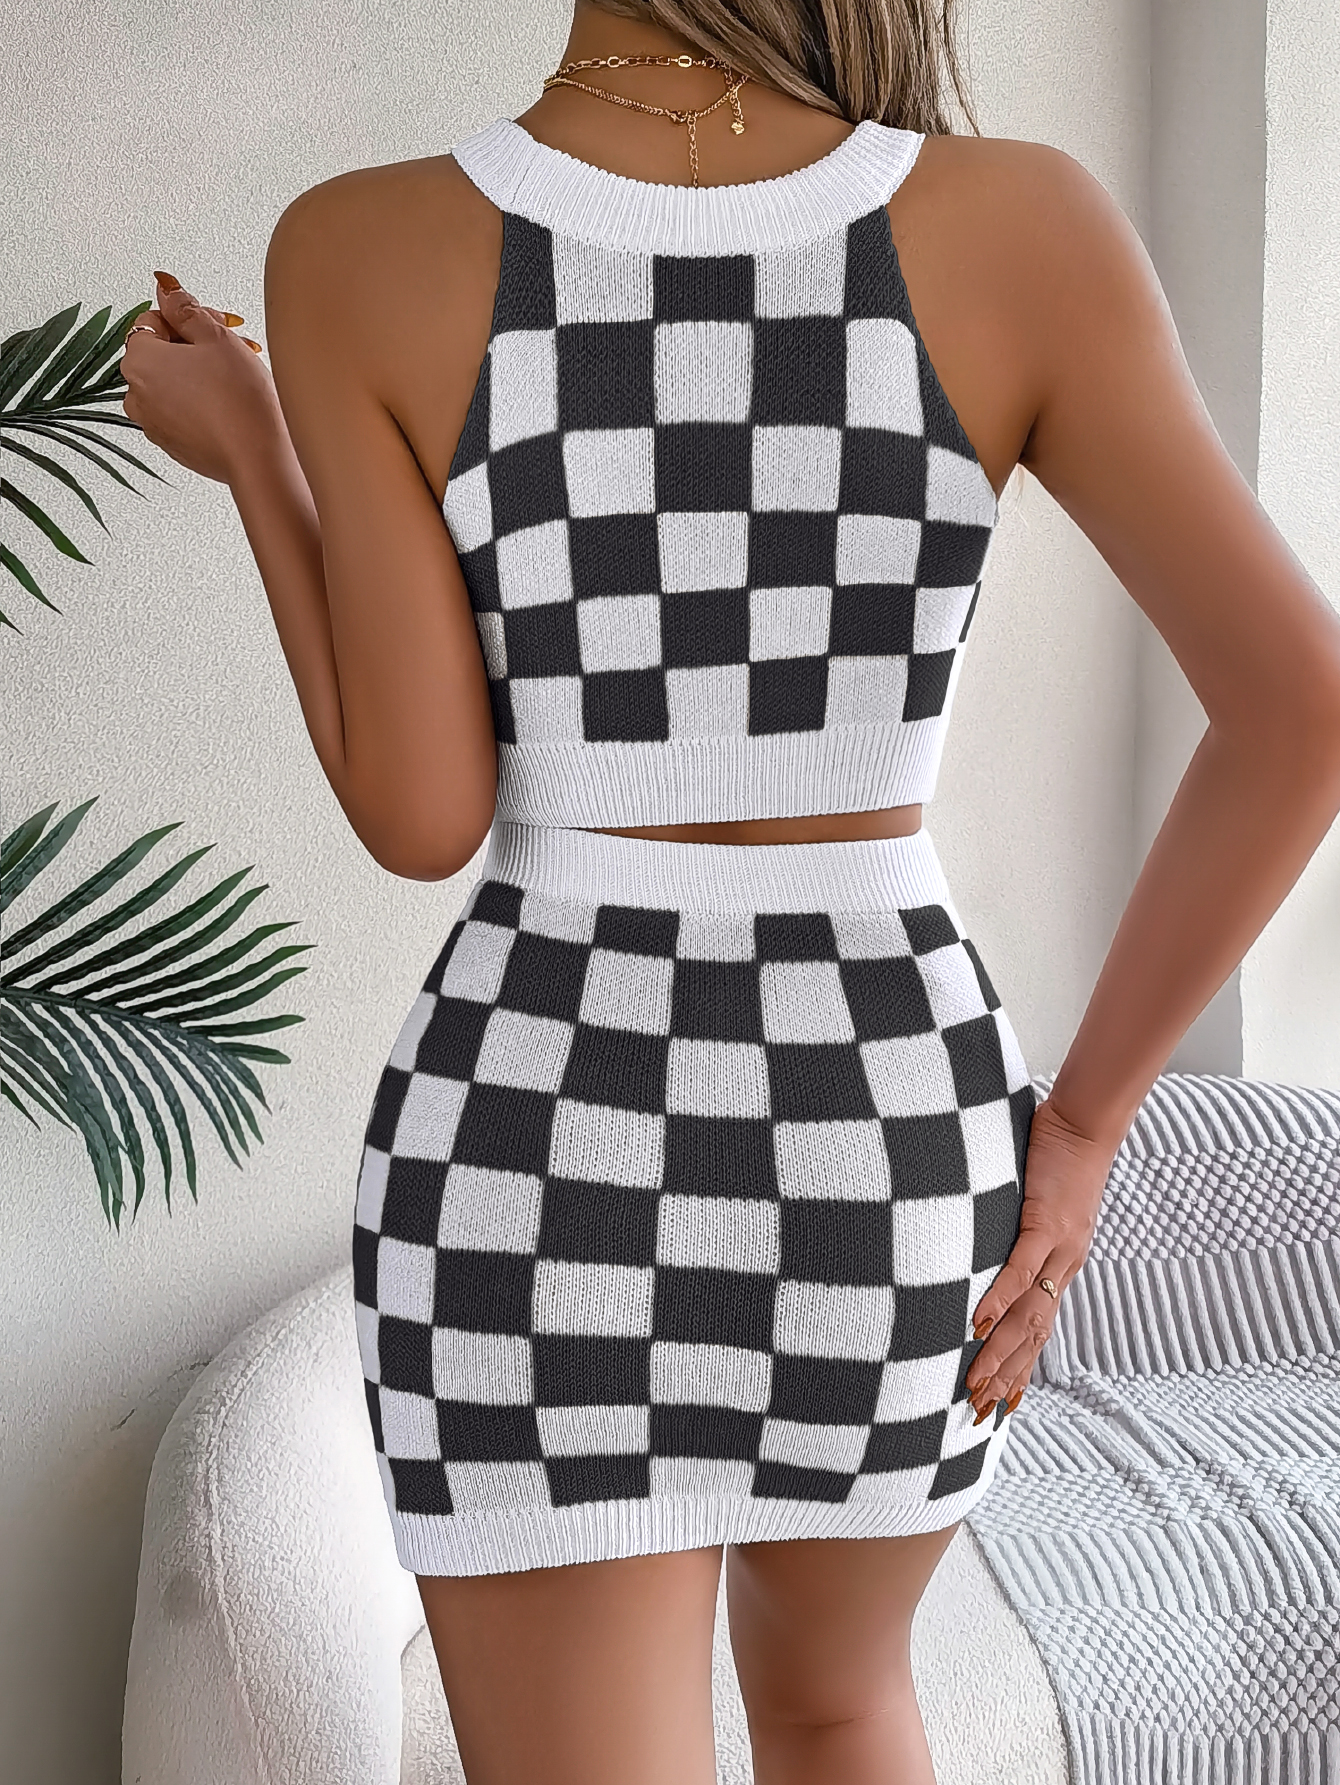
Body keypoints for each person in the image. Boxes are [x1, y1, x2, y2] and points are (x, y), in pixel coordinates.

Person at [119, 1, 1340, 1780]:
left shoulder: (354, 246)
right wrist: (1080, 1128)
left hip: (538, 1133)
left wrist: (254, 454)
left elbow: (424, 809)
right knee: (842, 1705)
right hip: (882, 1126)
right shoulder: (1024, 224)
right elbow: (1305, 709)